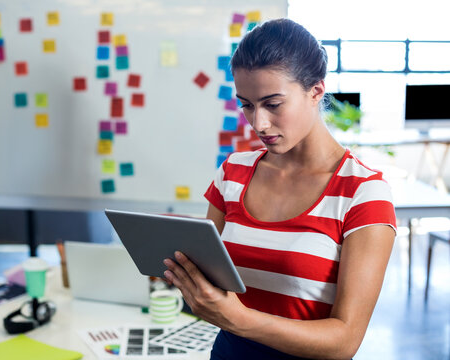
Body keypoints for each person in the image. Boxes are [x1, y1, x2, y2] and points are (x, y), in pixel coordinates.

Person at [163, 18, 397, 359]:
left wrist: (240, 319)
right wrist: (180, 265)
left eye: (273, 104)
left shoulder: (363, 193)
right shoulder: (233, 172)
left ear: (316, 91)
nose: (258, 123)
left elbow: (345, 340)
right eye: (247, 105)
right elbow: (210, 277)